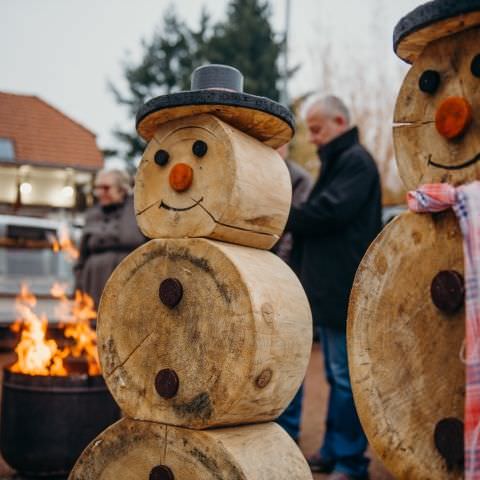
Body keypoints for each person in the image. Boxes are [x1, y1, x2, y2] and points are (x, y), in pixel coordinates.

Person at [286, 95, 382, 480]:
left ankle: (350, 461)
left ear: (339, 121)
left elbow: (330, 211)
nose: (311, 138)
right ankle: (332, 450)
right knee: (334, 376)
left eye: (316, 129)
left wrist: (284, 215)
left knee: (345, 378)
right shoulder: (338, 161)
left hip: (347, 289)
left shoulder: (355, 162)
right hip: (330, 290)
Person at [273, 142, 312, 443]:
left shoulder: (297, 178)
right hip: (253, 273)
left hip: (284, 277)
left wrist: (277, 271)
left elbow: (292, 230)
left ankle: (289, 430)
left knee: (288, 355)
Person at [74, 169, 147, 308]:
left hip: (131, 286)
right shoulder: (92, 215)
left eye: (106, 188)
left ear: (122, 189)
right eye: (98, 188)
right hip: (94, 287)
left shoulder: (139, 211)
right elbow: (81, 259)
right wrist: (79, 285)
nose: (100, 193)